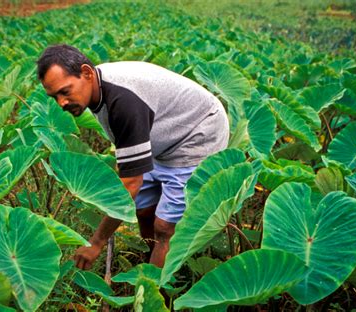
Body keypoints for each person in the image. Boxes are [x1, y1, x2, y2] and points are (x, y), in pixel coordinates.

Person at [37, 44, 229, 270]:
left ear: (87, 73)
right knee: (144, 209)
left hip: (197, 132)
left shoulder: (123, 100)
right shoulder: (95, 87)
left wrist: (97, 242)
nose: (61, 103)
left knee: (165, 227)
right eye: (54, 96)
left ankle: (157, 293)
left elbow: (130, 184)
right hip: (162, 134)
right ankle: (155, 258)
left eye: (65, 91)